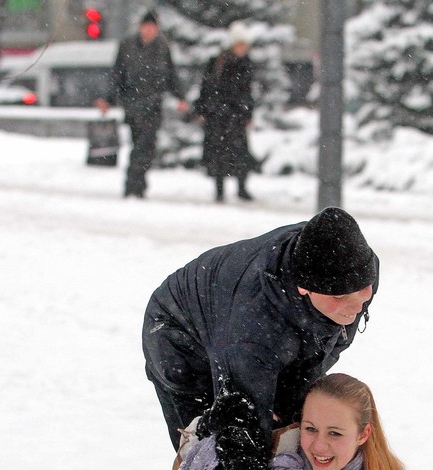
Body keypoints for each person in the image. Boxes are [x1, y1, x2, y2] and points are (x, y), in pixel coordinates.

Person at [143, 207, 380, 459]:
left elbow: (332, 340)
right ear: (304, 289)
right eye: (339, 296)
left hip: (259, 331)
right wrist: (238, 437)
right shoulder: (252, 330)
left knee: (291, 426)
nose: (357, 306)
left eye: (363, 290)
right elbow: (243, 434)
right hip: (180, 337)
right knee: (219, 445)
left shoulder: (360, 267)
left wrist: (293, 394)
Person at [177, 373, 404, 470]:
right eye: (311, 429)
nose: (319, 446)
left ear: (363, 434)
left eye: (335, 433)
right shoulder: (280, 456)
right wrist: (211, 430)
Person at [94, 11, 189, 199]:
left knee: (146, 146)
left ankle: (136, 182)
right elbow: (117, 75)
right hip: (133, 105)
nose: (149, 31)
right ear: (140, 27)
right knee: (139, 145)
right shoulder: (128, 46)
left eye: (153, 28)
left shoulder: (162, 47)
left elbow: (171, 75)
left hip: (153, 106)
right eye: (146, 27)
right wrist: (108, 99)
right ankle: (134, 184)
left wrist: (180, 97)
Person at [194, 21, 256, 202]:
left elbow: (247, 92)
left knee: (240, 155)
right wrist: (204, 109)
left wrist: (248, 112)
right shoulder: (218, 62)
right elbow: (207, 87)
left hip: (236, 116)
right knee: (219, 156)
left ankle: (241, 188)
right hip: (219, 116)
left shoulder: (245, 64)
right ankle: (220, 189)